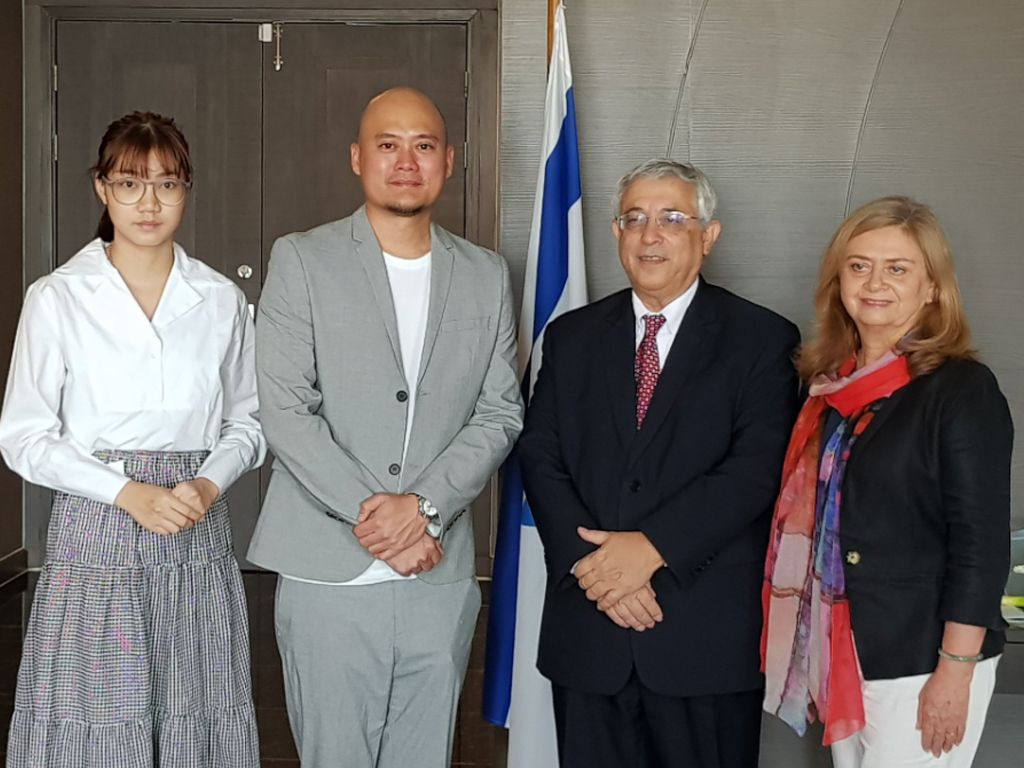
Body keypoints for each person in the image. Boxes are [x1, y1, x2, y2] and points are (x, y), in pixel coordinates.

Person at [247, 87, 522, 768]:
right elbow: (283, 407)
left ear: (449, 161)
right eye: (388, 144)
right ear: (357, 158)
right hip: (327, 573)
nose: (407, 161)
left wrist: (423, 512)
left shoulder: (486, 274)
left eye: (424, 145)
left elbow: (500, 411)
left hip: (437, 574)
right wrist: (381, 521)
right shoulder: (302, 260)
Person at [0, 111, 265, 767]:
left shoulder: (220, 299)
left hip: (193, 522)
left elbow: (252, 422)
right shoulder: (58, 298)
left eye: (166, 184)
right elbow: (24, 437)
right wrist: (126, 492)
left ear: (187, 189)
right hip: (97, 528)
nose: (149, 202)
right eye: (129, 183)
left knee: (196, 707)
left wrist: (205, 483)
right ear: (101, 188)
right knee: (99, 714)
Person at [518, 158, 800, 768]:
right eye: (635, 219)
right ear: (616, 232)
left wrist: (650, 549)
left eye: (673, 218)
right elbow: (539, 457)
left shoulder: (762, 338)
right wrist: (596, 570)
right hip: (590, 633)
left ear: (708, 234)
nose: (652, 234)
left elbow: (755, 471)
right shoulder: (570, 337)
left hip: (703, 638)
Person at [761, 196, 1013, 768]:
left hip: (923, 658)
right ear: (839, 280)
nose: (875, 282)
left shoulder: (961, 390)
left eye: (897, 268)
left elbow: (981, 544)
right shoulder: (827, 391)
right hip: (843, 648)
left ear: (931, 288)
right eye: (859, 265)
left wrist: (956, 671)